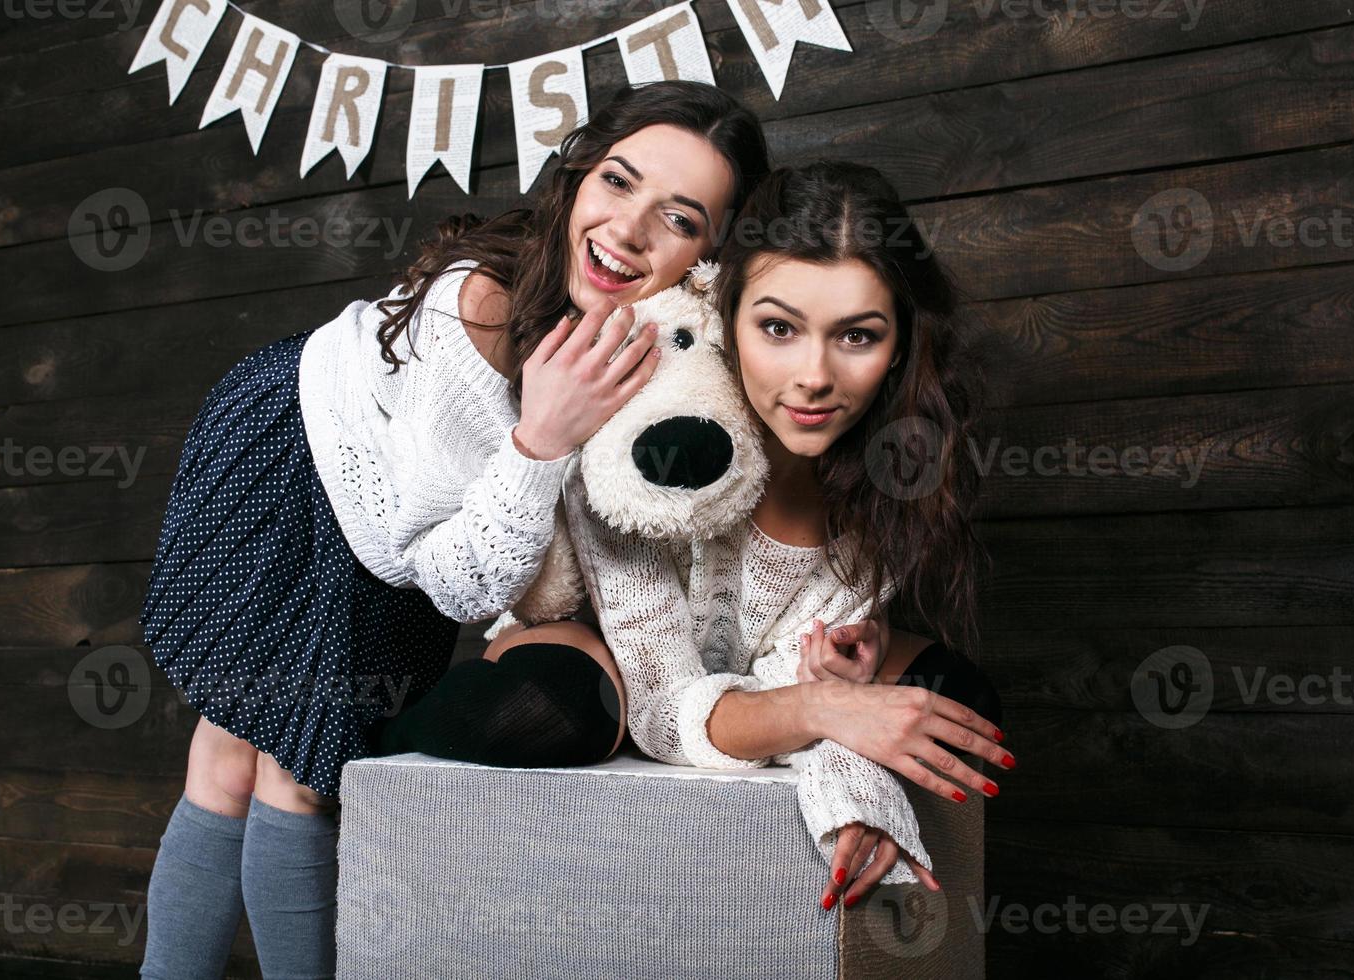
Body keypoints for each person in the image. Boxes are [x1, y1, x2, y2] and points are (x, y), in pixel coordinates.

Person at [136, 80, 771, 980]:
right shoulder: (483, 306)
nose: (629, 231)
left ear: (712, 251)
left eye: (679, 218)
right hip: (297, 458)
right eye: (618, 183)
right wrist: (542, 437)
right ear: (580, 173)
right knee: (282, 771)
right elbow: (454, 582)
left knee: (252, 761)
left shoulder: (668, 331)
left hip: (383, 515)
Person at [559, 159, 1009, 912]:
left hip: (748, 696)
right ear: (724, 312)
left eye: (857, 337)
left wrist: (840, 705)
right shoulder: (652, 437)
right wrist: (827, 714)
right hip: (613, 676)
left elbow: (793, 683)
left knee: (960, 711)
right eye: (777, 328)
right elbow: (662, 711)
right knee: (554, 708)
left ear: (899, 345)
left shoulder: (891, 478)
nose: (813, 377)